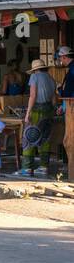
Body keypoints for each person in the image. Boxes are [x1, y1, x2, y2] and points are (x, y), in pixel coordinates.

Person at [18, 57, 57, 177]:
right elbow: (54, 99)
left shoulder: (34, 77)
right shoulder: (51, 78)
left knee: (29, 136)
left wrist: (28, 112)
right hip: (49, 110)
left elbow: (33, 95)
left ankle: (27, 168)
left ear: (35, 70)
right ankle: (43, 167)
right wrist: (52, 110)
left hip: (37, 110)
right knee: (45, 138)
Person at [57, 45, 74, 177]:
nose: (60, 61)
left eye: (60, 58)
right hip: (69, 105)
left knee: (70, 140)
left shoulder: (72, 70)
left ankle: (72, 172)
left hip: (72, 107)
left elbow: (68, 91)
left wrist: (60, 91)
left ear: (64, 57)